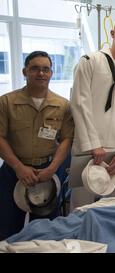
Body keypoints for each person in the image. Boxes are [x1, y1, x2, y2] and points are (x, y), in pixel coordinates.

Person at [69, 15, 115, 211]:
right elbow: (79, 103)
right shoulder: (89, 62)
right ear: (113, 33)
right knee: (81, 208)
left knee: (113, 208)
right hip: (88, 149)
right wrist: (93, 144)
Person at [0, 51, 74, 240]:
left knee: (45, 231)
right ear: (25, 71)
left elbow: (67, 139)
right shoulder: (6, 102)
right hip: (13, 173)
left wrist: (52, 168)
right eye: (35, 69)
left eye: (45, 69)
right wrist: (18, 167)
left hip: (47, 174)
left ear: (51, 73)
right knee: (8, 227)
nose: (41, 73)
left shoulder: (62, 105)